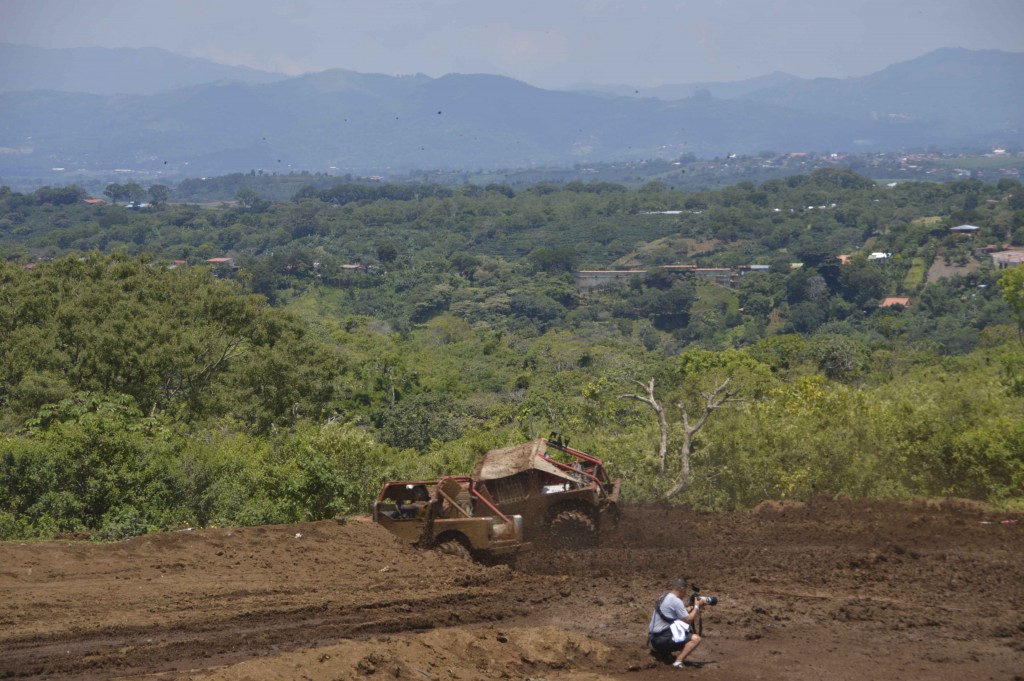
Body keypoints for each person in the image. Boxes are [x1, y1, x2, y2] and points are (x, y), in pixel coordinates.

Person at [648, 577, 702, 668]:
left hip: (652, 639)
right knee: (695, 639)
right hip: (661, 640)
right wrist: (696, 607)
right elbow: (688, 620)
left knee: (679, 631)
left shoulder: (664, 596)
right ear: (682, 588)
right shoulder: (677, 601)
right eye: (685, 589)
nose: (685, 592)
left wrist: (689, 609)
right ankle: (678, 662)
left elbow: (671, 613)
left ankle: (664, 653)